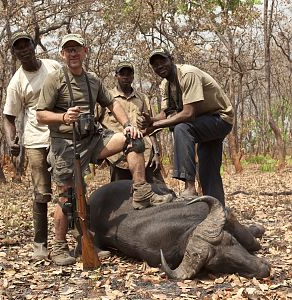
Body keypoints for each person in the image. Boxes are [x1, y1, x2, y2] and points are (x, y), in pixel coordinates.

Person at [36, 34, 173, 266]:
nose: (73, 54)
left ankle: (141, 192)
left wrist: (128, 126)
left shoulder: (92, 80)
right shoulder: (54, 79)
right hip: (66, 144)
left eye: (76, 49)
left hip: (92, 140)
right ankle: (60, 246)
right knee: (68, 196)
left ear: (85, 51)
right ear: (62, 54)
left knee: (134, 141)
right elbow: (40, 114)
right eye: (68, 50)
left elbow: (112, 103)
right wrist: (62, 116)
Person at [137, 48, 234, 206]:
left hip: (220, 119)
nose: (159, 66)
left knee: (182, 128)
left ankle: (189, 187)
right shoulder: (165, 85)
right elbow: (165, 114)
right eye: (155, 64)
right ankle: (218, 209)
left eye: (162, 61)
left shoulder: (188, 74)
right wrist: (151, 121)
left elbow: (188, 114)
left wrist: (154, 126)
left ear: (171, 59)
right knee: (208, 170)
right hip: (202, 122)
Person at [3, 30, 61, 260]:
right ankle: (40, 243)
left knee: (68, 187)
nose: (24, 49)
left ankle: (78, 237)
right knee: (41, 192)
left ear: (34, 45)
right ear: (15, 53)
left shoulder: (54, 66)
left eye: (26, 44)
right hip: (35, 140)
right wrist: (11, 139)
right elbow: (9, 116)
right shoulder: (16, 82)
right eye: (18, 47)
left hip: (61, 135)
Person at [99, 61, 173, 195]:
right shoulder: (106, 98)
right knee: (121, 197)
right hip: (118, 158)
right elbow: (95, 124)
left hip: (145, 154)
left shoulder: (142, 98)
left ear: (133, 76)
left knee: (161, 193)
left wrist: (156, 153)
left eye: (129, 74)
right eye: (122, 74)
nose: (126, 77)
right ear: (116, 76)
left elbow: (151, 126)